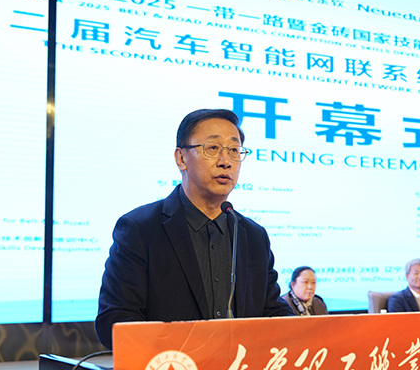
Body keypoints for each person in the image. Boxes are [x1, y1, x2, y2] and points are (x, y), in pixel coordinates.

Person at [95, 109, 294, 348]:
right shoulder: (141, 228)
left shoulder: (253, 236)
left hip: (241, 369)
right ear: (181, 158)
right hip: (172, 368)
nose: (226, 161)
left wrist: (309, 332)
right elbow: (115, 321)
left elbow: (271, 311)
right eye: (213, 148)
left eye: (234, 150)